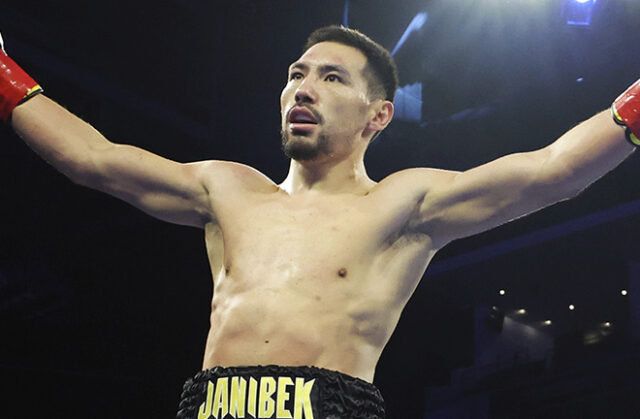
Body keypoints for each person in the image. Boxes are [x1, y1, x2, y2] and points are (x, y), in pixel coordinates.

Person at [1, 25, 639, 419]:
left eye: (331, 78)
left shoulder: (404, 203)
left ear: (378, 115)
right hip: (210, 406)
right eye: (295, 76)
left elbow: (553, 171)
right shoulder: (226, 187)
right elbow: (91, 159)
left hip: (329, 407)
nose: (302, 89)